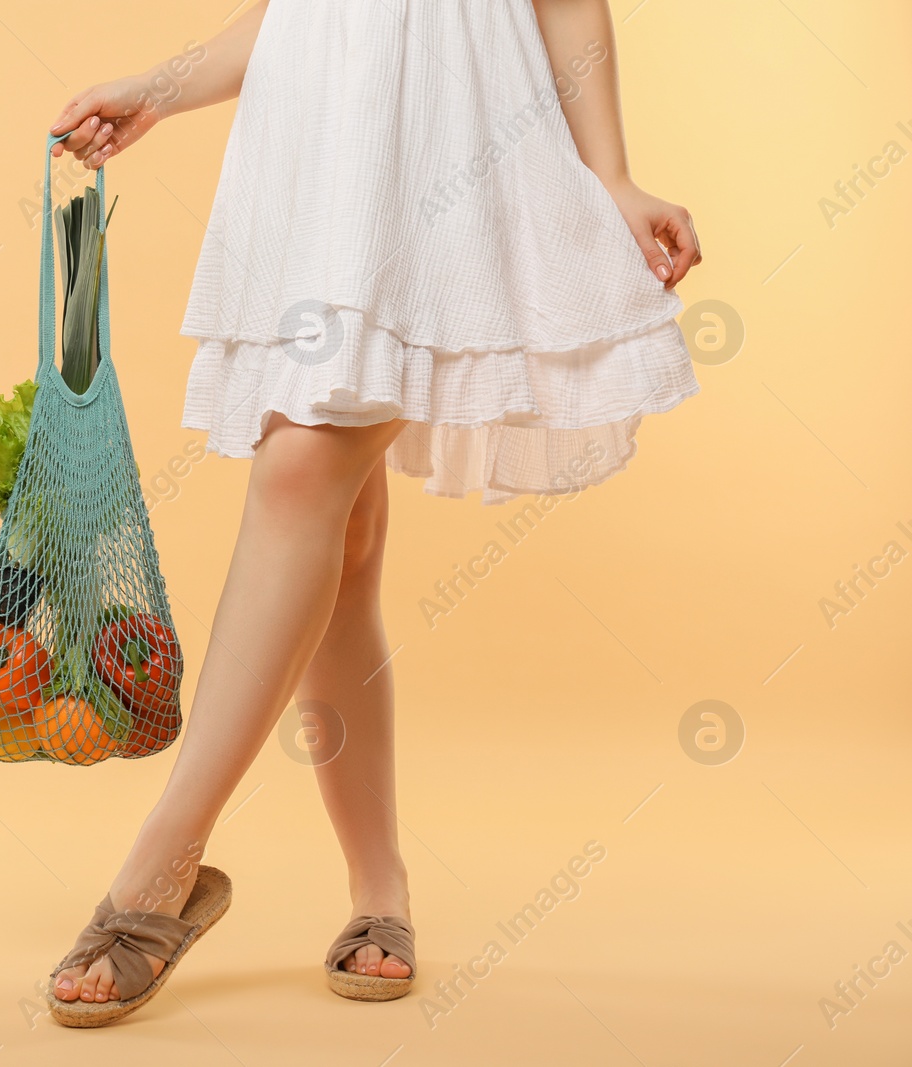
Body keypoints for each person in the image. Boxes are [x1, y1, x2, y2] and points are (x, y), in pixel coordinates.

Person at [43, 0, 702, 1026]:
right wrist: (158, 91)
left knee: (301, 473)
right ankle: (380, 890)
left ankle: (156, 873)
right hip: (320, 156)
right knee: (343, 539)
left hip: (453, 144)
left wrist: (608, 175)